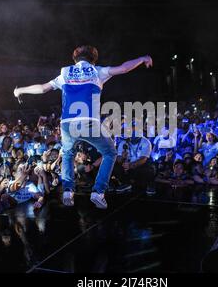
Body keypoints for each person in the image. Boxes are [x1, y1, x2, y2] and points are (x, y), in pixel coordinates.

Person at [14, 45, 153, 209]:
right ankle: (98, 192)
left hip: (66, 123)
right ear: (93, 59)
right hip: (88, 121)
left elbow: (43, 88)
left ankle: (67, 191)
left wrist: (20, 91)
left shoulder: (65, 73)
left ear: (75, 59)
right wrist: (142, 58)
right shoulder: (97, 71)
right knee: (110, 152)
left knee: (67, 153)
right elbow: (123, 69)